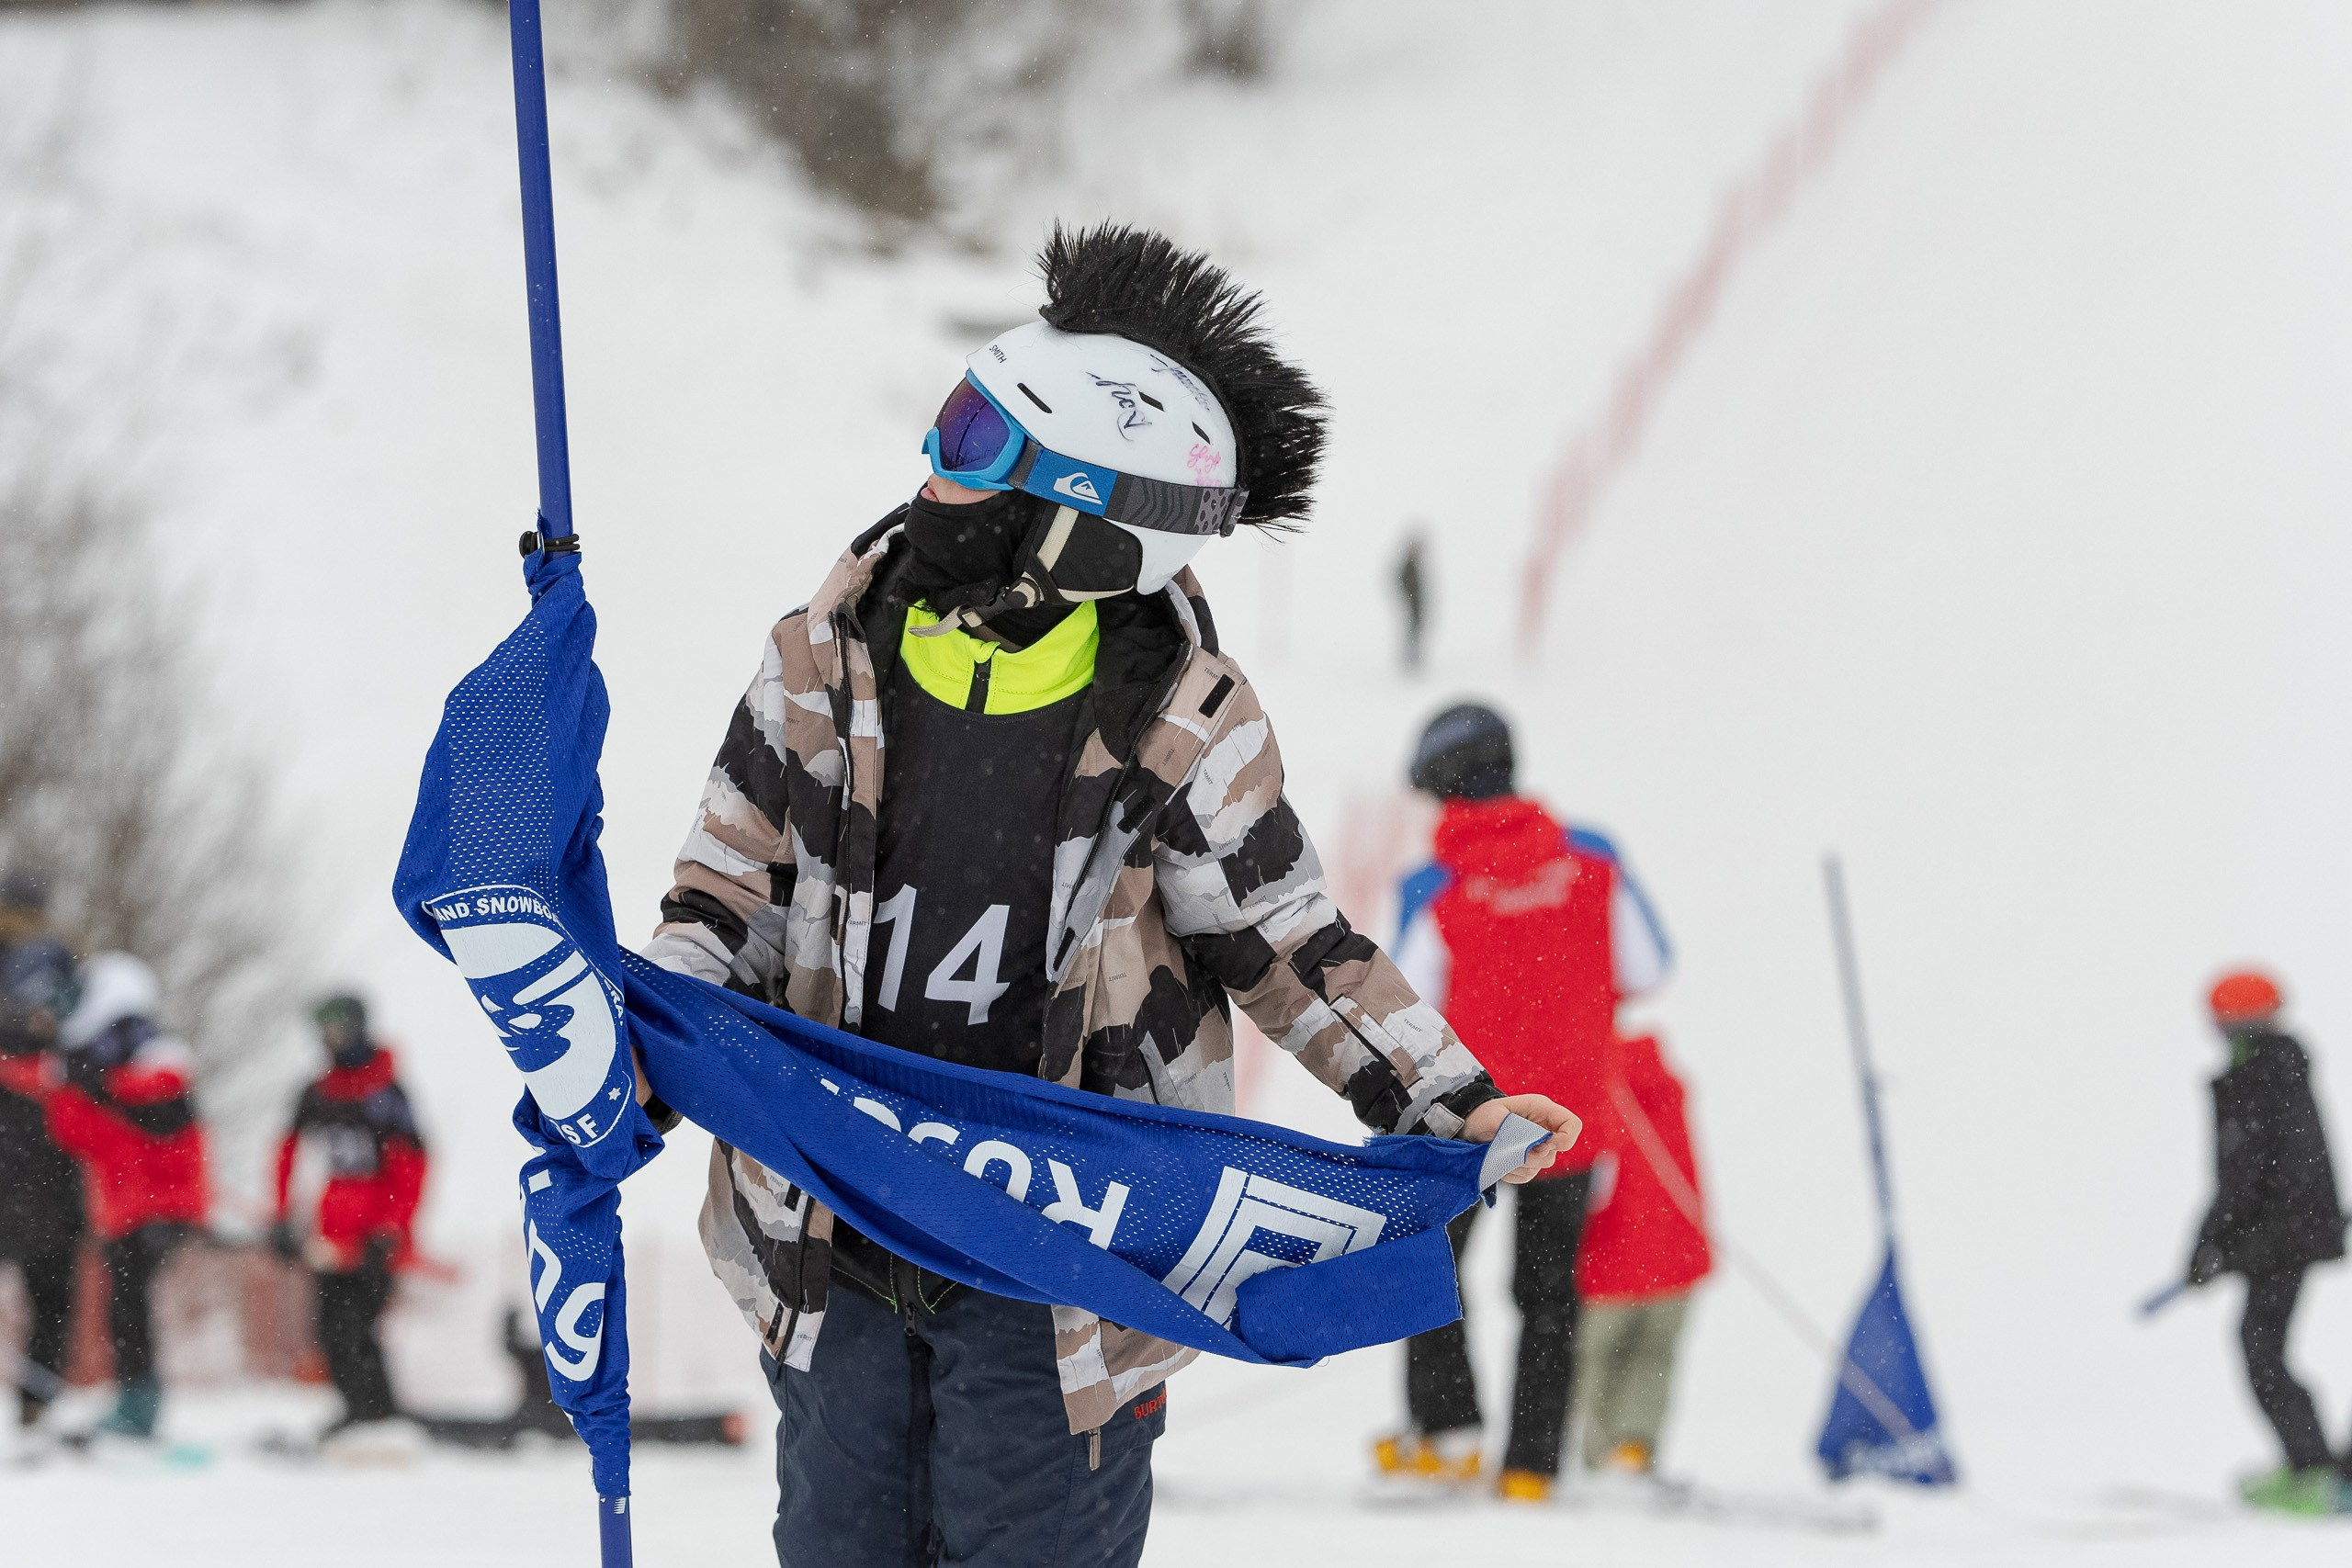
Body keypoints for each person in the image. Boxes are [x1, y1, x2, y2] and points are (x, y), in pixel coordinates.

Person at [640, 223, 1578, 1568]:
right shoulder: (818, 660)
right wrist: (639, 1051)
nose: (932, 472)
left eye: (972, 447)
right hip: (830, 1232)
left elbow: (1291, 943)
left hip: (1057, 1268)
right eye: (951, 422)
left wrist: (1450, 1100)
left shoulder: (1181, 718)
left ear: (1075, 524)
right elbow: (724, 898)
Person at [1376, 701, 1669, 1501]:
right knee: (1548, 1293)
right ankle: (1533, 1465)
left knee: (1434, 1267)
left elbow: (1404, 1006)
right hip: (1572, 1117)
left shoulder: (1433, 885)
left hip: (1465, 1122)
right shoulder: (1595, 859)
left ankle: (1450, 1433)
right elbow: (1649, 968)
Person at [2183, 970, 2349, 1514]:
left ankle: (2318, 1473)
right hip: (2283, 1237)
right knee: (2263, 1349)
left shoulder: (2261, 1076)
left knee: (2262, 1351)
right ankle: (2316, 1466)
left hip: (2280, 1240)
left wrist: (2212, 1244)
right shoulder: (2274, 1070)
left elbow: (2246, 1176)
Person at [44, 953, 209, 1440]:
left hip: (156, 1207)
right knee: (123, 1306)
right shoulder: (93, 1068)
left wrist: (86, 1085)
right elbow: (82, 1134)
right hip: (125, 1208)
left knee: (131, 1306)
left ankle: (140, 1410)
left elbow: (156, 1113)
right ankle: (135, 1404)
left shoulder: (146, 1057)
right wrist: (72, 1086)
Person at [268, 995, 426, 1440]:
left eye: (338, 1028)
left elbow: (412, 1167)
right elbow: (286, 1153)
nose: (330, 1039)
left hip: (375, 1238)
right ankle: (357, 1414)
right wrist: (280, 1217)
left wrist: (393, 1227)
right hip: (330, 1236)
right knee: (330, 1327)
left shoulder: (388, 1094)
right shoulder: (317, 1092)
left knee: (362, 1325)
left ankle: (379, 1417)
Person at [1574, 1031, 1710, 1477]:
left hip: (1607, 1265)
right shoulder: (1667, 1091)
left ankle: (1594, 1458)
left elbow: (1593, 1188)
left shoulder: (1590, 1092)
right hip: (1677, 1259)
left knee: (1591, 1363)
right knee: (1654, 1358)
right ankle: (1634, 1447)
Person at [0, 872, 84, 1431]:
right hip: (11, 1143)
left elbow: (78, 1039)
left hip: (52, 1151)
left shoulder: (63, 965)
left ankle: (39, 1400)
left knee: (51, 1281)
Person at [1396, 527, 1429, 672]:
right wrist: (1409, 596)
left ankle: (1414, 658)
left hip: (1416, 605)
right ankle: (1411, 659)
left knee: (1416, 630)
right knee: (1412, 631)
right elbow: (1402, 582)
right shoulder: (1408, 565)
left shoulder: (1414, 564)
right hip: (1413, 605)